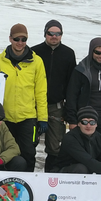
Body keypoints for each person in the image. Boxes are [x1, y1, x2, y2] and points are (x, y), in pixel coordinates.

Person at [0, 23, 47, 172]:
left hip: (28, 118)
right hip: (5, 118)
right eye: (17, 39)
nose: (20, 43)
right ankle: (5, 187)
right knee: (5, 154)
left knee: (28, 153)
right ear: (10, 38)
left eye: (24, 39)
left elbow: (41, 92)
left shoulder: (37, 62)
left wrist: (43, 118)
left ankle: (26, 189)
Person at [32, 19, 76, 172]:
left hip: (56, 107)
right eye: (51, 33)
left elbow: (72, 84)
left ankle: (50, 179)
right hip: (34, 105)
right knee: (29, 144)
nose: (54, 36)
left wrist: (70, 112)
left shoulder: (68, 54)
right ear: (45, 34)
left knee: (55, 147)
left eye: (58, 34)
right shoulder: (34, 52)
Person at [54, 106, 101, 177]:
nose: (88, 126)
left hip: (87, 172)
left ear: (96, 124)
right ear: (78, 124)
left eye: (92, 122)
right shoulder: (70, 138)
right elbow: (88, 161)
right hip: (62, 176)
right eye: (84, 122)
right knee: (81, 168)